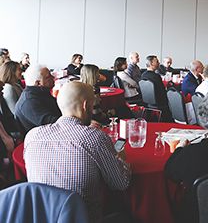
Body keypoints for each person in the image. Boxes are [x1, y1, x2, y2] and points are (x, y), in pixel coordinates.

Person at [24, 81, 131, 223]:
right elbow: (121, 183)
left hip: (40, 217)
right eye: (92, 104)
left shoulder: (32, 136)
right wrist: (121, 158)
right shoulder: (94, 138)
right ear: (85, 105)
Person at [15, 64, 61, 133]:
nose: (53, 77)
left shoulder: (41, 92)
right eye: (48, 77)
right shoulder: (29, 102)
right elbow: (52, 124)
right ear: (39, 83)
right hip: (41, 138)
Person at [141, 55, 171, 120]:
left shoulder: (143, 75)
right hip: (159, 103)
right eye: (157, 61)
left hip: (147, 102)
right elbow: (162, 92)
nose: (159, 63)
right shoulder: (156, 76)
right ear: (151, 63)